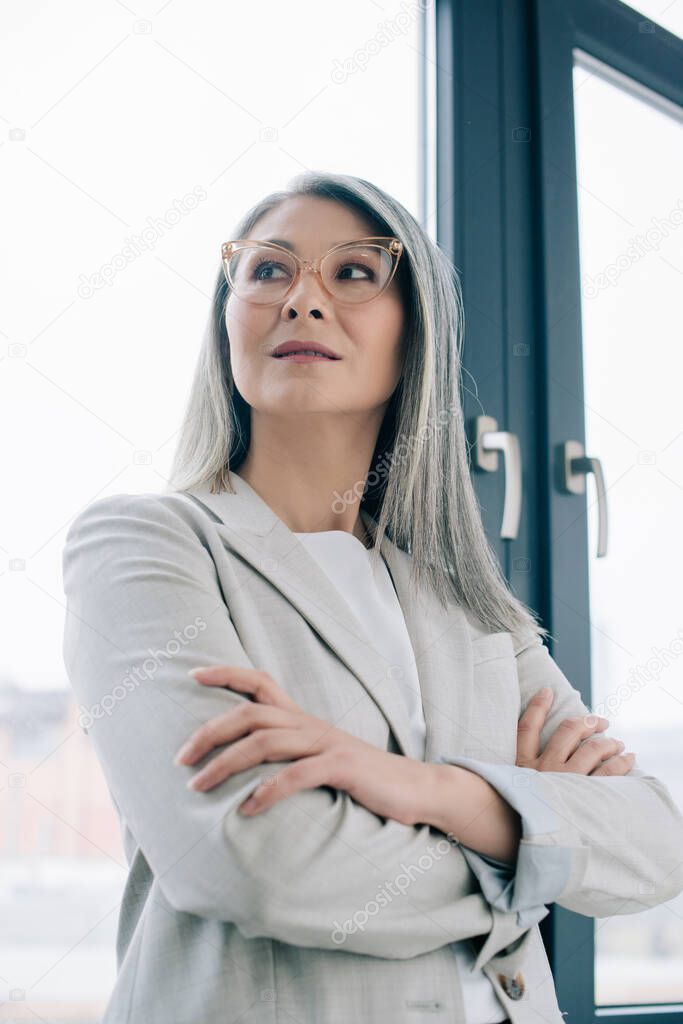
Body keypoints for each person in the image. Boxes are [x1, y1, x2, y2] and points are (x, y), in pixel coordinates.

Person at [62, 171, 683, 1024]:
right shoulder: (147, 544)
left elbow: (654, 842)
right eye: (268, 271)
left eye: (354, 272)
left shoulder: (467, 602)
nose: (301, 300)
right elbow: (257, 862)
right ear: (227, 319)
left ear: (414, 332)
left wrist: (413, 787)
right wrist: (525, 839)